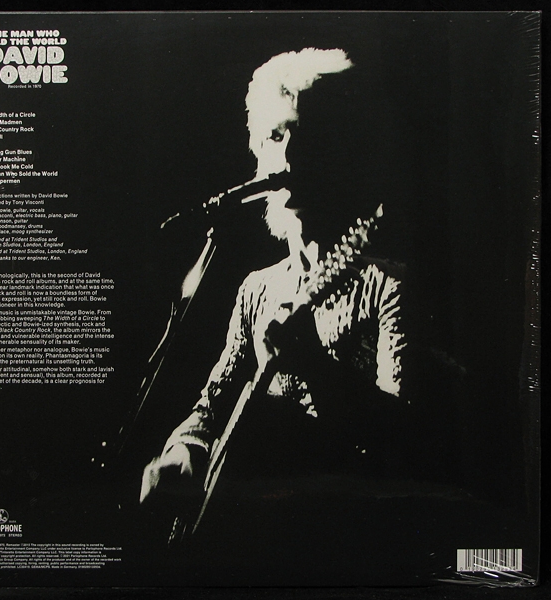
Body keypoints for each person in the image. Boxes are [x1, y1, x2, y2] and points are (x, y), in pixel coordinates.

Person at [140, 48, 408, 575]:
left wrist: (314, 366)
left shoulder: (386, 285)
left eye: (310, 136)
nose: (290, 155)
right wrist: (184, 449)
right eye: (276, 136)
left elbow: (407, 436)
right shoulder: (257, 288)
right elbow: (211, 404)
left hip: (342, 551)